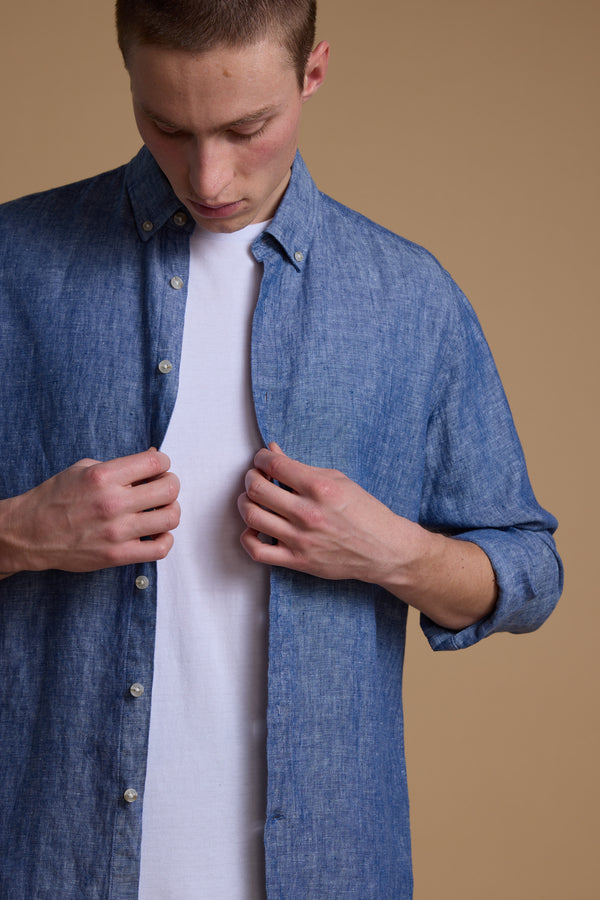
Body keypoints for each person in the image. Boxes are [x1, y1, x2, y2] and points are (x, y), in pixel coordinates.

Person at [0, 1, 562, 897]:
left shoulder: (408, 299)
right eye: (167, 126)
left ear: (313, 73)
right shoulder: (15, 267)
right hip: (50, 867)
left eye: (245, 129)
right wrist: (20, 534)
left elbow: (531, 572)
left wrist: (394, 553)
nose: (208, 175)